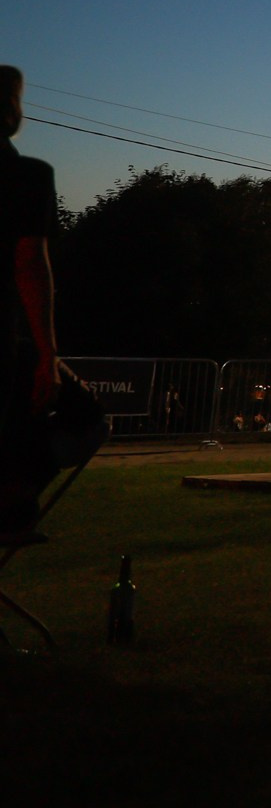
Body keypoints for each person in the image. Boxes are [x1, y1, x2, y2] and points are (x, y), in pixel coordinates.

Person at [1, 67, 70, 534]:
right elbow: (30, 265)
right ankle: (14, 504)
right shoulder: (26, 176)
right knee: (77, 416)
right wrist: (48, 354)